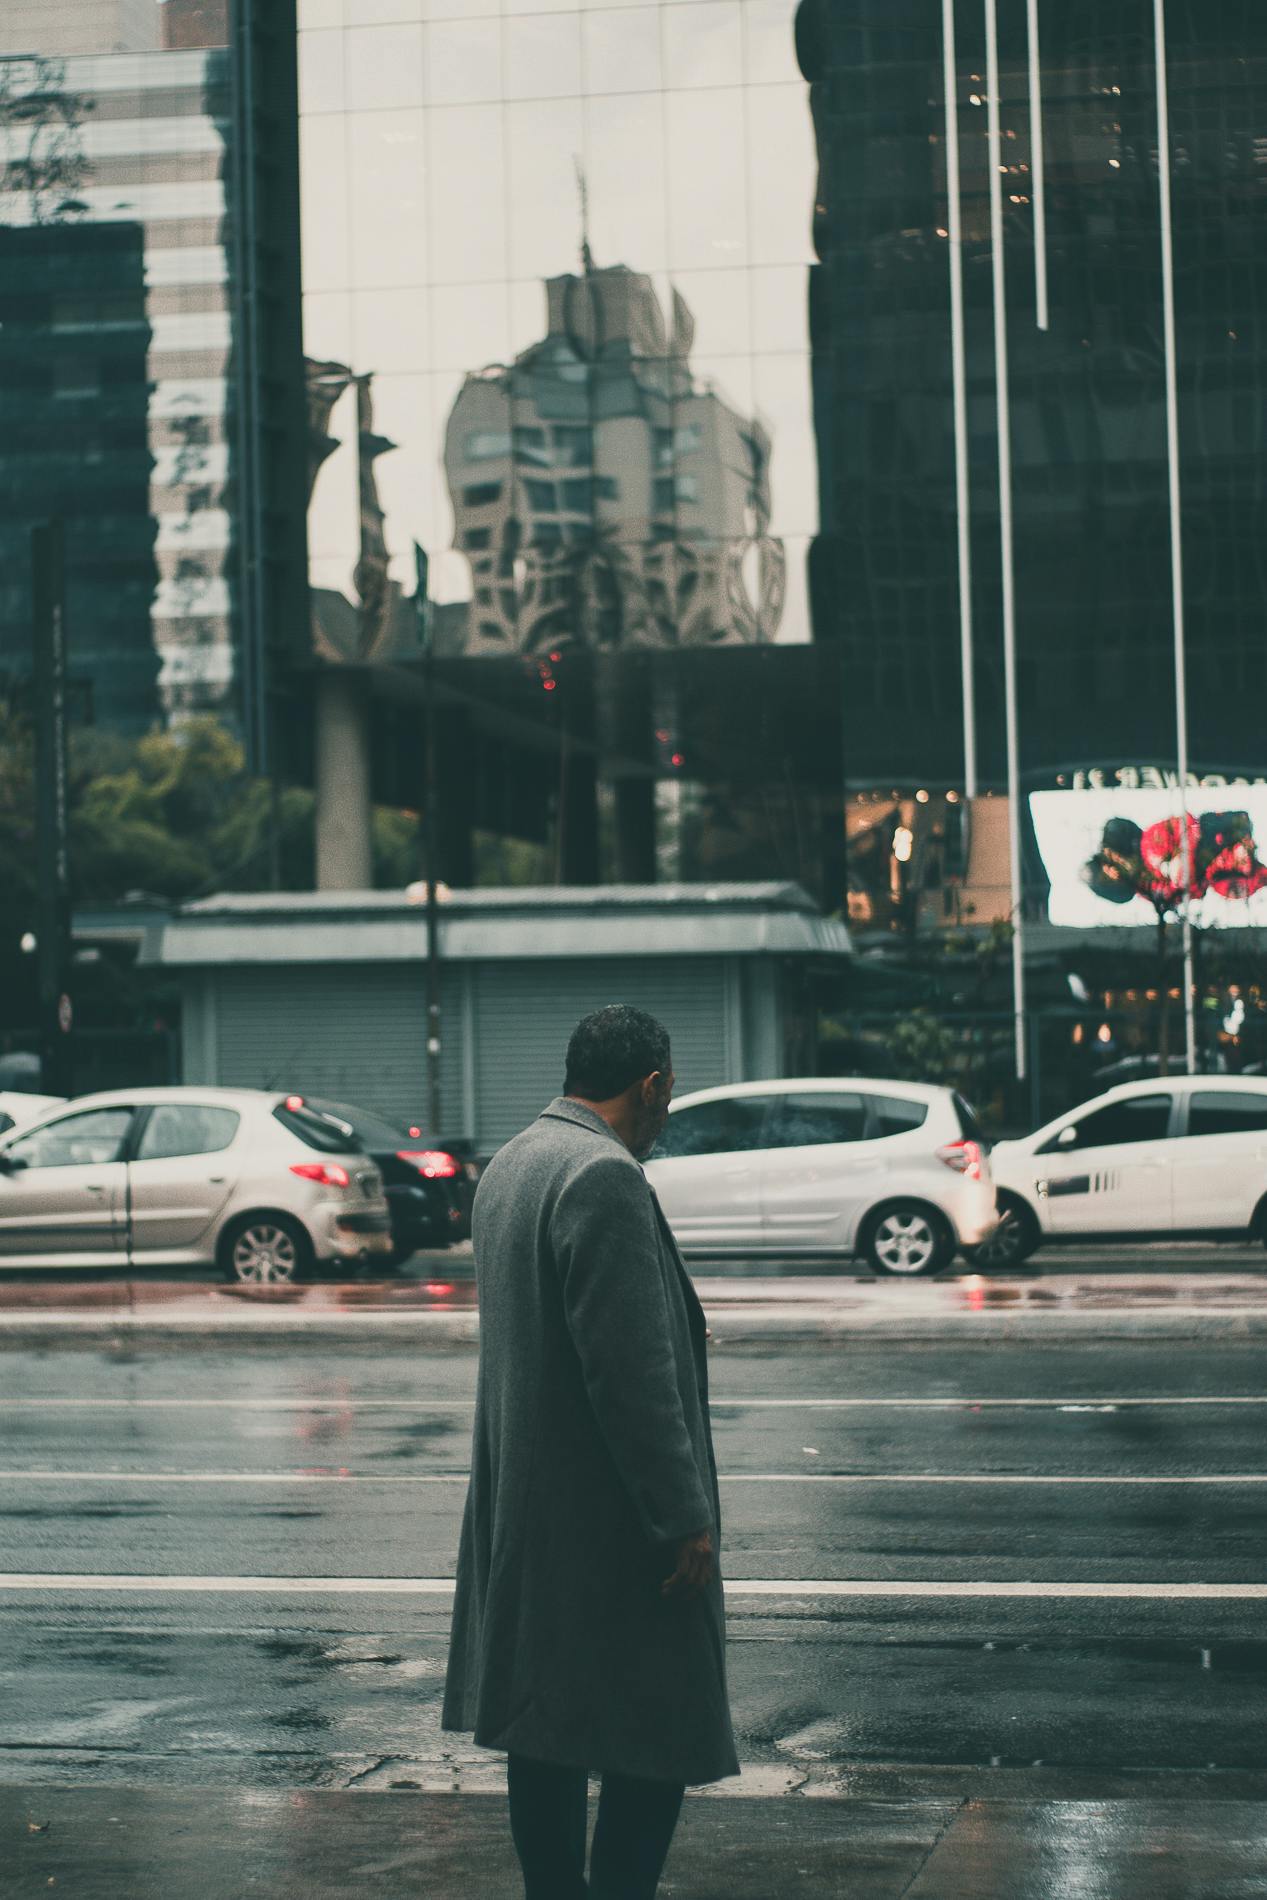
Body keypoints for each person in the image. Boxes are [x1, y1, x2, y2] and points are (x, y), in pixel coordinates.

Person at [443, 1003, 738, 1899]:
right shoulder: (604, 1177)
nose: (665, 1116)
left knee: (546, 1728)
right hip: (609, 1524)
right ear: (649, 1086)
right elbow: (633, 1374)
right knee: (658, 1728)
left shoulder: (513, 1163)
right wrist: (681, 1515)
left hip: (529, 1514)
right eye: (669, 1096)